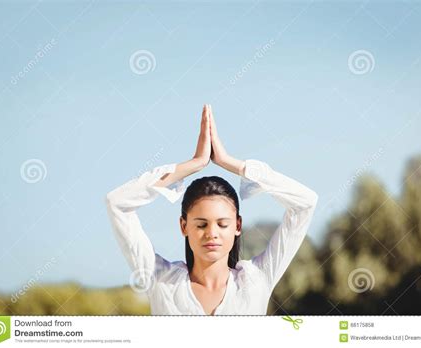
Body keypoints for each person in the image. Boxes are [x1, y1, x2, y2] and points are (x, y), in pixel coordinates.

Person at [105, 104, 318, 315]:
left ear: (237, 225)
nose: (212, 233)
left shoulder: (257, 279)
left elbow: (305, 203)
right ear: (184, 226)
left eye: (222, 224)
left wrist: (233, 164)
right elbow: (117, 202)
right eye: (201, 224)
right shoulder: (160, 279)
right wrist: (193, 164)